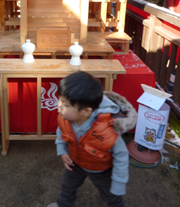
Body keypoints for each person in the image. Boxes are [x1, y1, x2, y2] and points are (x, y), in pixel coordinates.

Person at [47, 71, 137, 207]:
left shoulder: (108, 130)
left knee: (111, 197)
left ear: (86, 111)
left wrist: (118, 182)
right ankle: (63, 204)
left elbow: (121, 155)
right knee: (67, 185)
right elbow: (61, 130)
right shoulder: (65, 118)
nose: (59, 106)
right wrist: (62, 150)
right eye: (60, 99)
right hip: (76, 163)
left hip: (101, 169)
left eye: (66, 105)